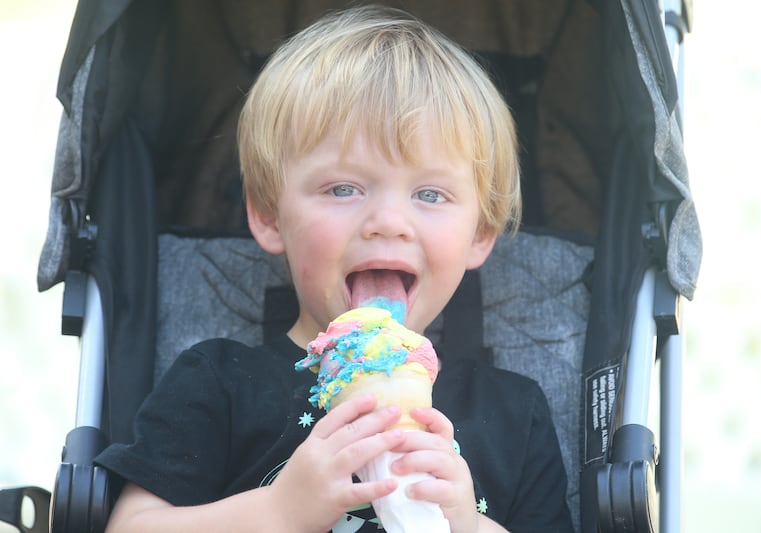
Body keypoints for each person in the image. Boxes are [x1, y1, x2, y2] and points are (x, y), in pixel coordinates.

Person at [96, 5, 574, 532]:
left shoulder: (512, 412)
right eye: (342, 188)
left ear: (480, 234)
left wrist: (469, 523)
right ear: (270, 215)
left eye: (431, 194)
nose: (388, 222)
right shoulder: (219, 382)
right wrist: (277, 512)